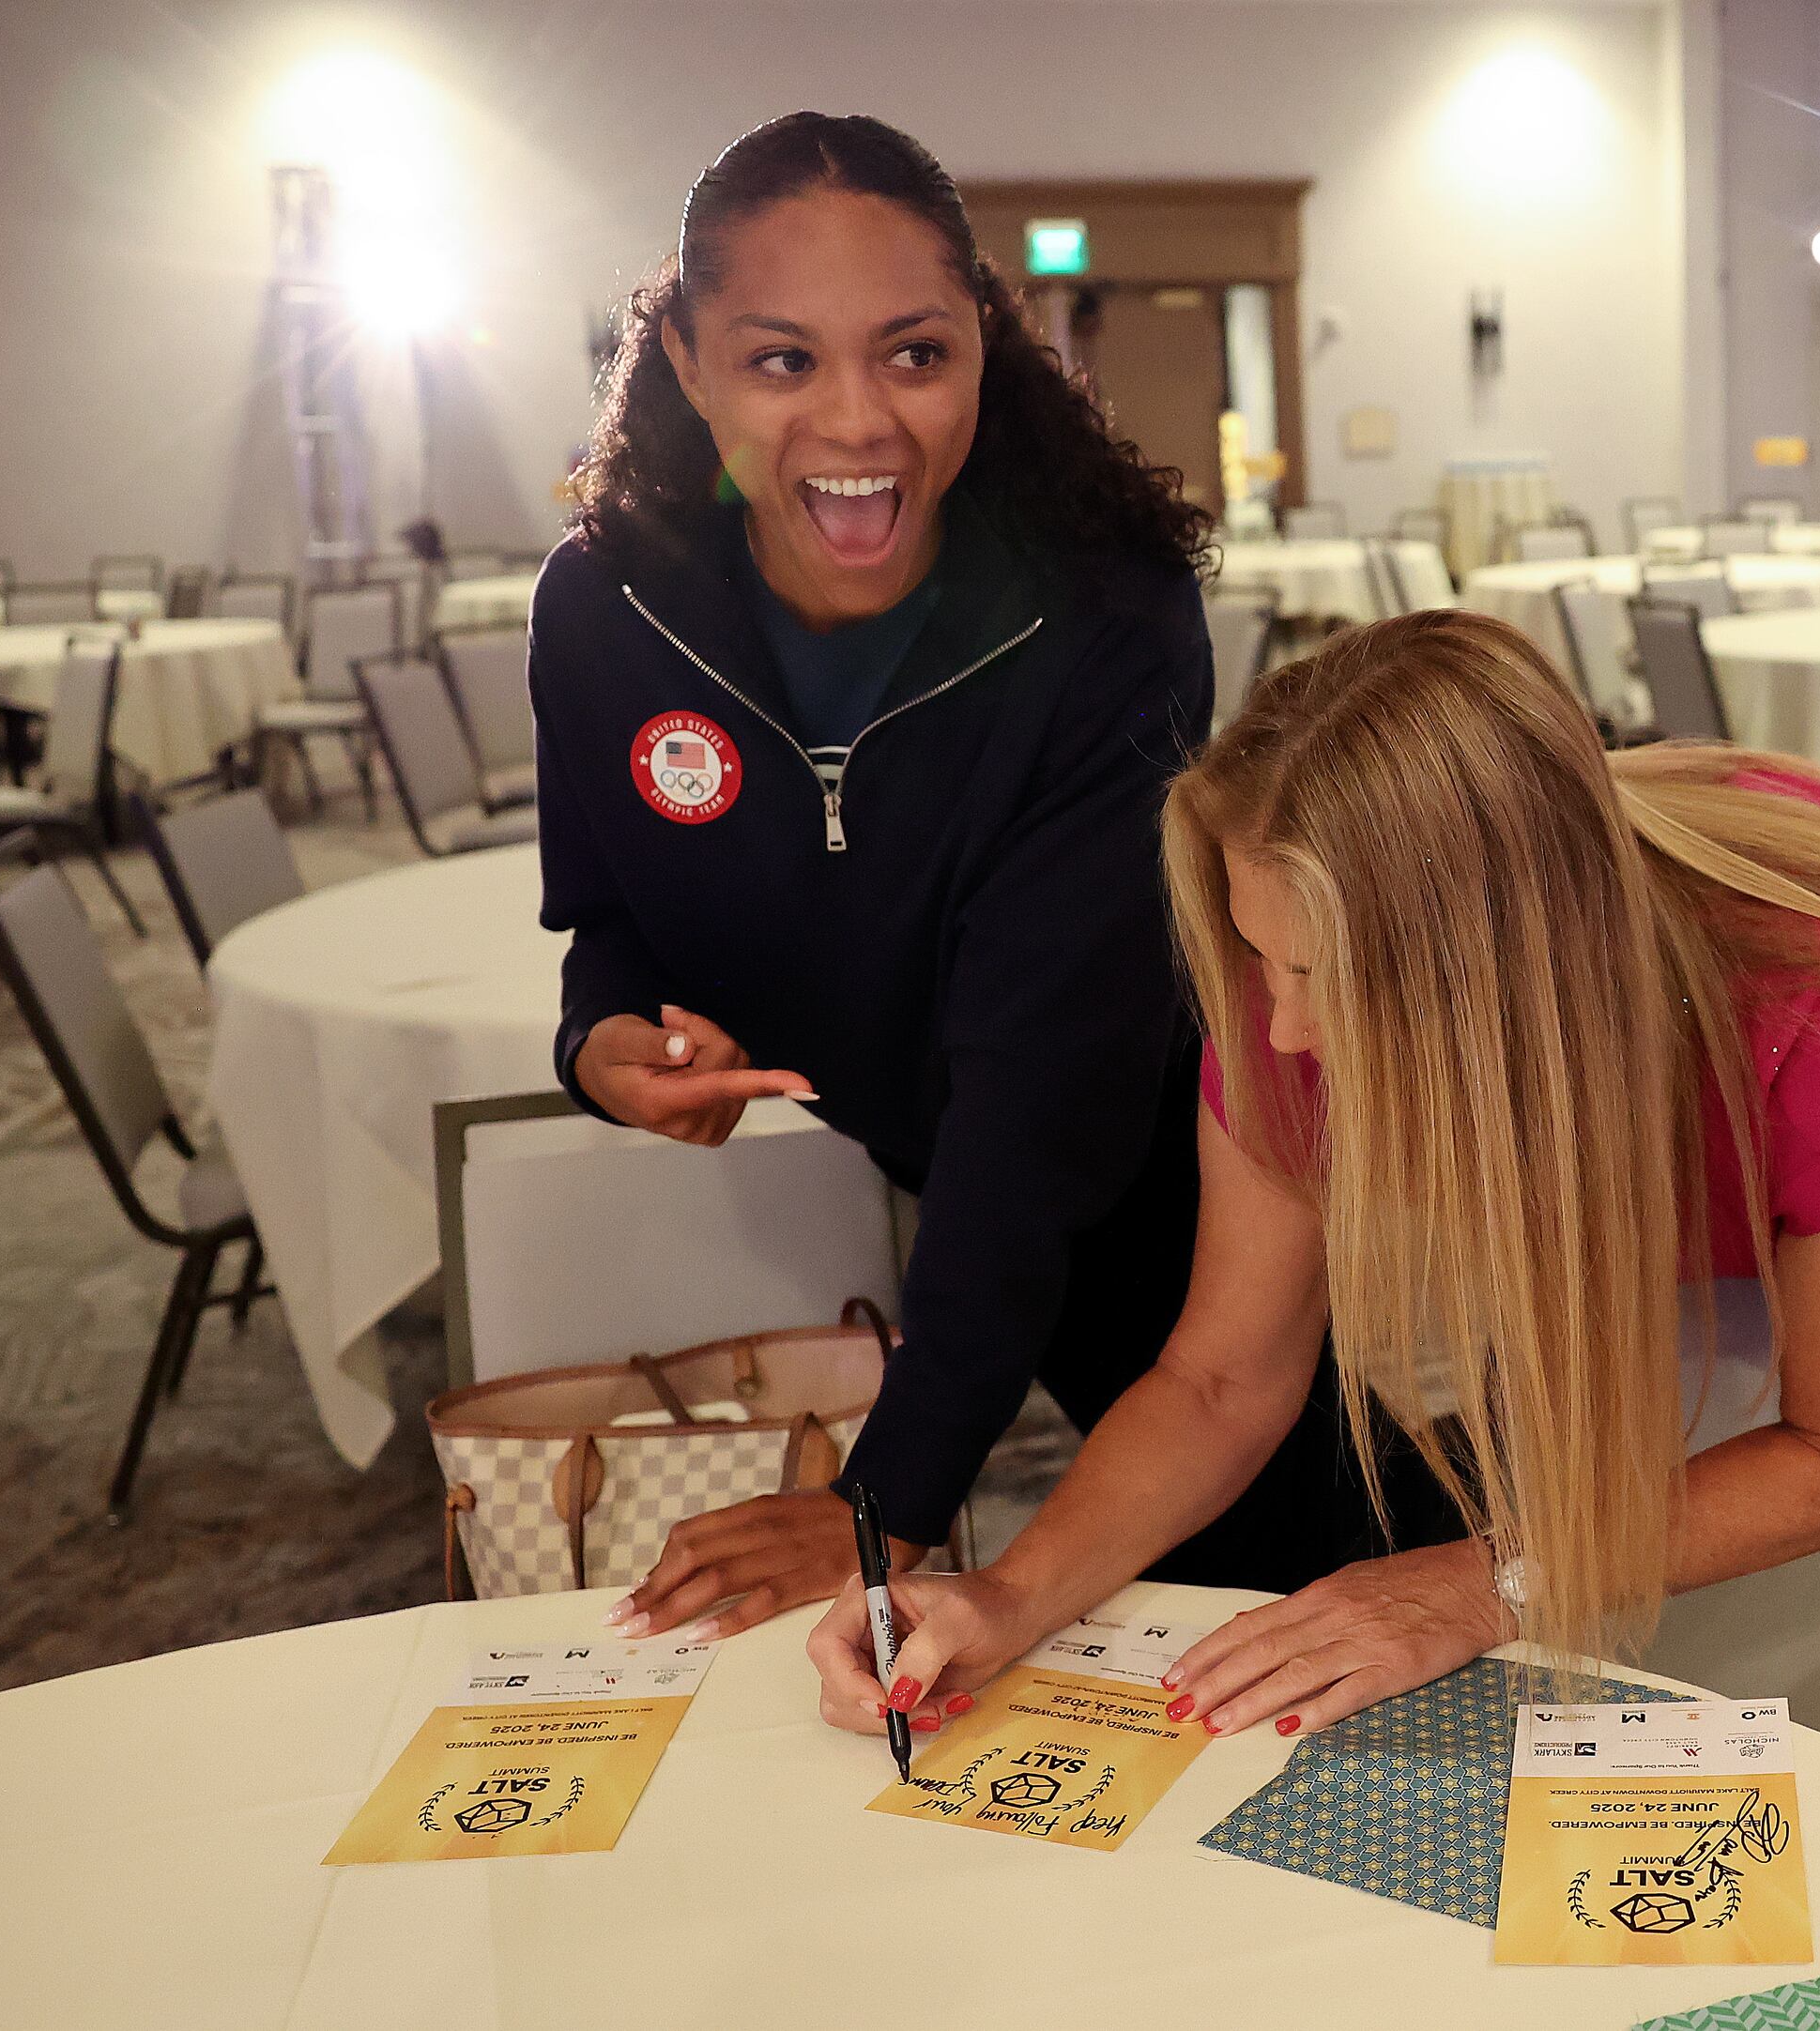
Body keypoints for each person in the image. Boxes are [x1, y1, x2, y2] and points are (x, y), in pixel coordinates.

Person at [810, 608, 1820, 1825]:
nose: (1281, 1031)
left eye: (1322, 976)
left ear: (1500, 965)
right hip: (1636, 1110)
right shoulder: (1304, 989)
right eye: (1258, 956)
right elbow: (1219, 1377)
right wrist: (1008, 1593)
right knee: (1621, 1579)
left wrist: (1474, 1580)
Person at [532, 113, 1438, 1650]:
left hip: (1146, 1155)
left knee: (1310, 1568)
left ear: (982, 350)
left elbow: (1040, 1104)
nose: (857, 421)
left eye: (912, 354)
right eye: (780, 360)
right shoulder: (608, 609)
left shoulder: (1100, 620)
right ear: (684, 359)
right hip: (899, 1146)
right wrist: (601, 1035)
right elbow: (611, 905)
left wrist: (875, 1504)